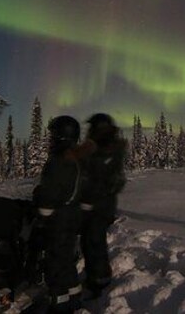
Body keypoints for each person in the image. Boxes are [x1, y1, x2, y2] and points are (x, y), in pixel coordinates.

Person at [33, 115, 87, 312]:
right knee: (66, 261)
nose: (50, 138)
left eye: (53, 134)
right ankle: (74, 299)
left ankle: (59, 304)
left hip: (59, 218)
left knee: (55, 263)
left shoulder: (59, 159)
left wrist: (42, 212)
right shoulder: (75, 156)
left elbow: (52, 191)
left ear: (61, 136)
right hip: (72, 215)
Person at [80, 113, 127, 299]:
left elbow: (106, 179)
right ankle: (96, 277)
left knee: (94, 242)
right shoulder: (103, 147)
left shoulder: (106, 149)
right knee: (90, 241)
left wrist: (90, 198)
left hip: (99, 206)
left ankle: (100, 281)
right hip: (95, 204)